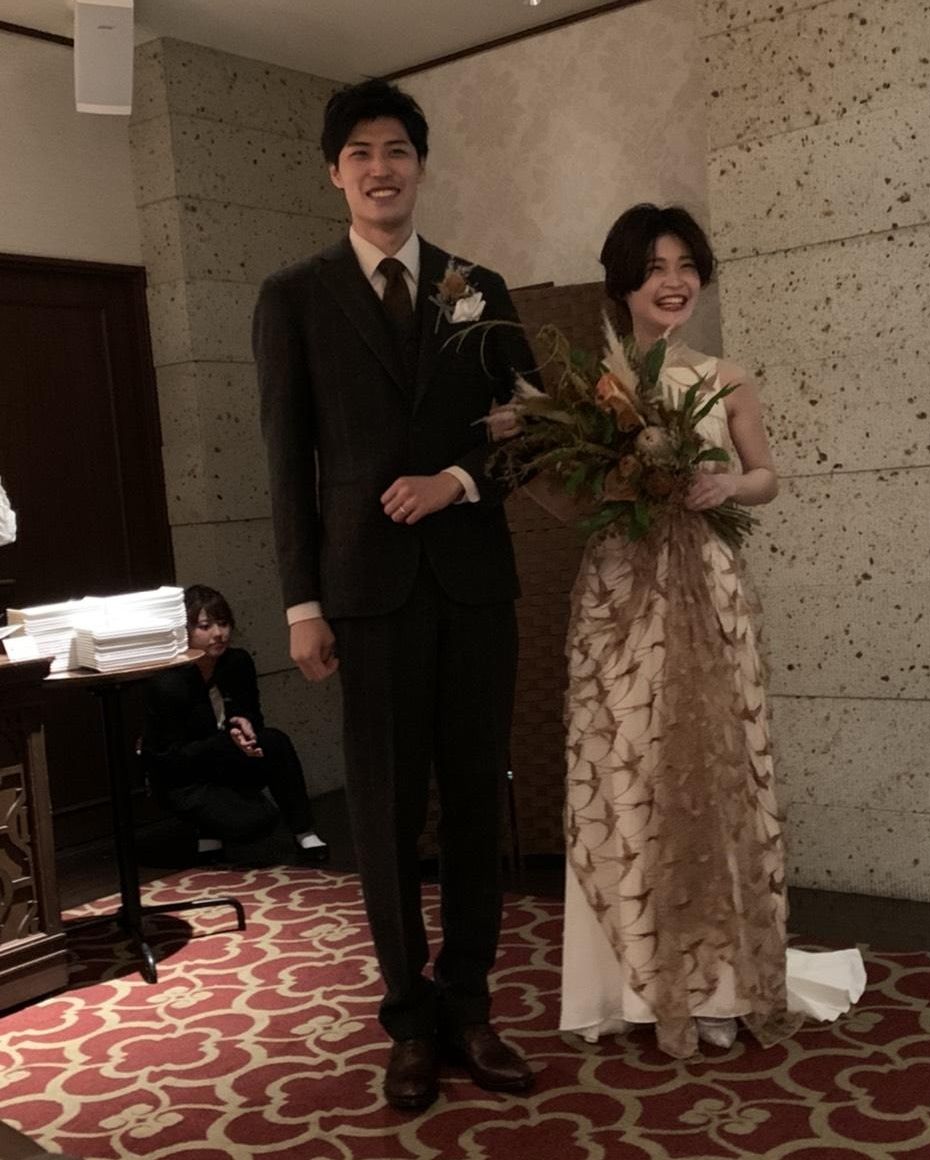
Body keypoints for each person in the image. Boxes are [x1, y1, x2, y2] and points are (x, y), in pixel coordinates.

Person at [252, 78, 538, 1111]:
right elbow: (287, 462)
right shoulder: (294, 295)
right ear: (334, 172)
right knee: (382, 813)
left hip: (473, 588)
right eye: (362, 153)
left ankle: (469, 1004)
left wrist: (458, 478)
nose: (382, 169)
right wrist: (301, 605)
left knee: (474, 799)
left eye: (398, 151)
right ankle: (408, 1020)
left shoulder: (478, 286)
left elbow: (537, 429)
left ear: (421, 166)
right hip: (364, 595)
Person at [545, 204, 865, 1059]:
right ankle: (630, 985)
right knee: (628, 768)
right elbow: (569, 494)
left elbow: (767, 476)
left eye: (686, 265)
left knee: (708, 770)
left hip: (707, 588)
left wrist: (726, 485)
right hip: (621, 594)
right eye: (655, 267)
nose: (674, 281)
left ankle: (718, 985)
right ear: (623, 283)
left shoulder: (725, 377)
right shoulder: (592, 392)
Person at [141, 584, 329, 864]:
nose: (218, 633)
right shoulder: (168, 683)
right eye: (205, 626)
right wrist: (227, 741)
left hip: (225, 758)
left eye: (223, 623)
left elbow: (252, 715)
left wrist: (244, 724)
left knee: (275, 741)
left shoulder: (237, 662)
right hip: (185, 779)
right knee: (257, 821)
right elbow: (170, 759)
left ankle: (304, 831)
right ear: (185, 632)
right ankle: (208, 831)